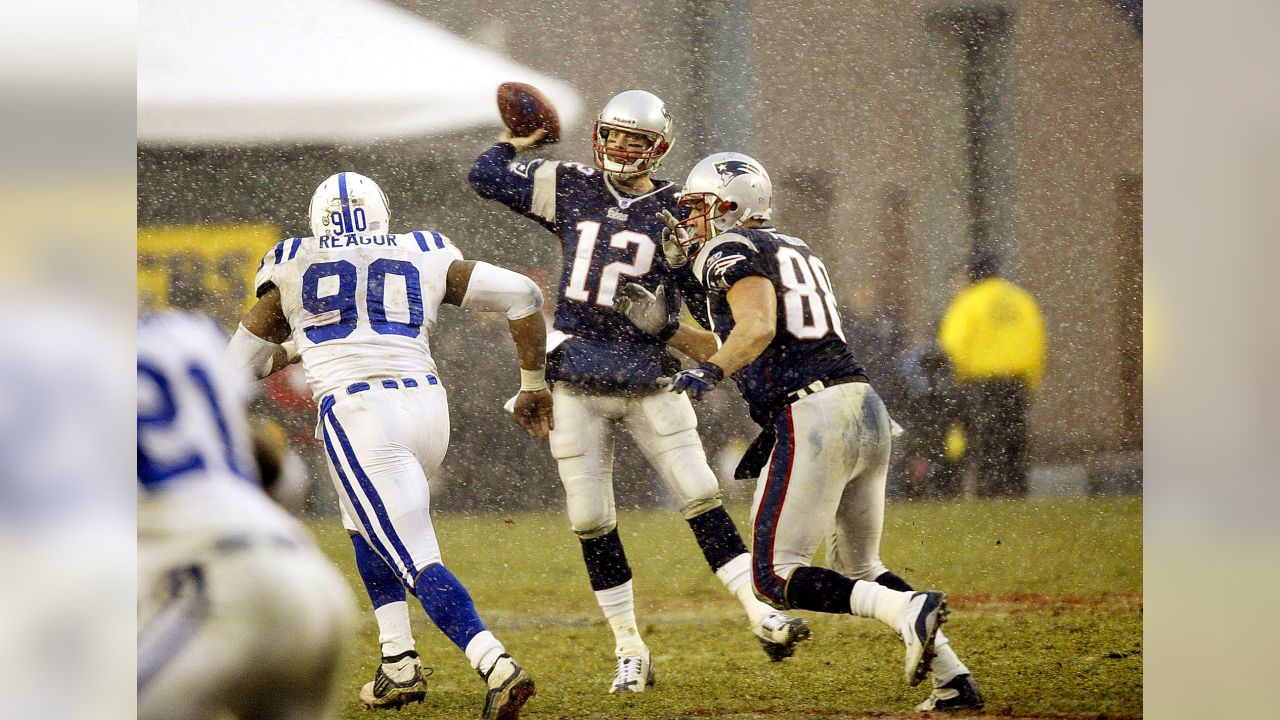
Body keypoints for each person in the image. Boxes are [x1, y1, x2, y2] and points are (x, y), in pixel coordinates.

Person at [614, 152, 984, 711]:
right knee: (862, 567)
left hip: (811, 416)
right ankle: (952, 678)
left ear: (730, 205)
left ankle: (909, 611)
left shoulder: (729, 247)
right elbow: (745, 336)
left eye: (698, 208)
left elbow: (756, 329)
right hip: (863, 407)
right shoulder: (791, 247)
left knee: (773, 575)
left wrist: (708, 375)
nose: (689, 221)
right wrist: (671, 331)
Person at [468, 90, 810, 693]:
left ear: (659, 146)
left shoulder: (679, 208)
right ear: (599, 135)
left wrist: (679, 327)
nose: (621, 149)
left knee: (700, 496)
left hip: (649, 373)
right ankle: (630, 647)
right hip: (574, 374)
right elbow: (485, 176)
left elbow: (715, 305)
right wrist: (516, 141)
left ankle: (761, 613)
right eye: (614, 136)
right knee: (590, 518)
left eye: (634, 139)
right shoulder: (573, 184)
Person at [228, 172, 552, 719]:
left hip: (358, 413)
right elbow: (525, 295)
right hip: (427, 407)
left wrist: (283, 352)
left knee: (413, 555)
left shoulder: (290, 260)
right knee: (363, 523)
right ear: (383, 212)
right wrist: (531, 384)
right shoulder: (421, 250)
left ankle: (495, 662)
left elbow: (238, 366)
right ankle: (398, 662)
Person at [138, 310, 357, 720]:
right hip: (307, 576)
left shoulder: (39, 361)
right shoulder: (188, 334)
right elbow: (277, 471)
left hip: (215, 587)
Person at [938, 247, 1046, 497]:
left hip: (981, 384)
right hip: (1017, 383)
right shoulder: (1021, 299)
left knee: (986, 444)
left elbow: (953, 346)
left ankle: (990, 494)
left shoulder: (969, 301)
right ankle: (1016, 492)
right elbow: (1037, 343)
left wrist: (956, 381)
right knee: (1015, 441)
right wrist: (1029, 381)